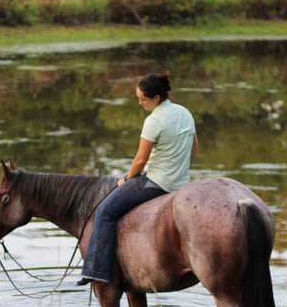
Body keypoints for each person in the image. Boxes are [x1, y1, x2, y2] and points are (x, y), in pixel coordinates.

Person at [77, 73, 198, 285]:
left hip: (156, 183)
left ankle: (96, 270)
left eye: (143, 99)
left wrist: (127, 179)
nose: (140, 103)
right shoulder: (185, 112)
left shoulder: (154, 121)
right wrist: (180, 169)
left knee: (105, 211)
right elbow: (194, 146)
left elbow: (140, 160)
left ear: (157, 99)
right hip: (181, 183)